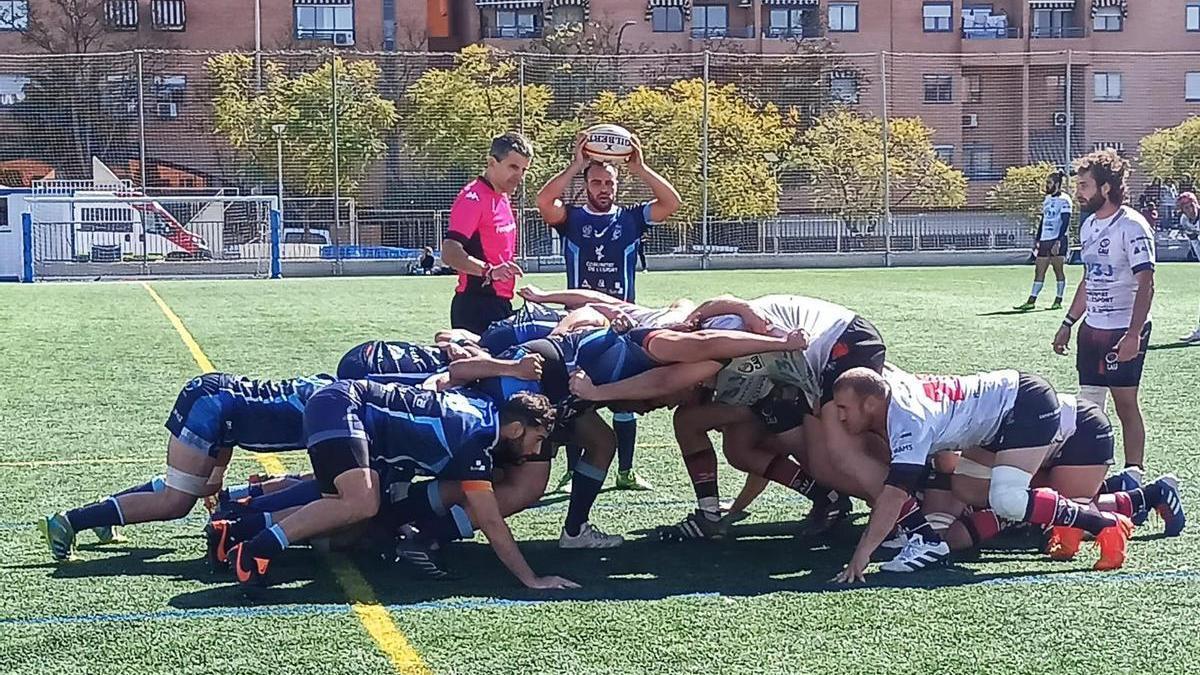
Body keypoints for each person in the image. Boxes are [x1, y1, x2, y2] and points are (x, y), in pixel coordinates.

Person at [227, 381, 580, 590]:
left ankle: (236, 528)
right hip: (345, 407)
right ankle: (256, 549)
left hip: (351, 411)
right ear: (516, 430)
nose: (535, 450)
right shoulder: (478, 439)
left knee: (351, 516)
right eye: (536, 440)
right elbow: (489, 521)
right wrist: (532, 579)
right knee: (360, 502)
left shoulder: (485, 413)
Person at [829, 367, 1132, 582]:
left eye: (844, 408)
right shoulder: (892, 394)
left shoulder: (907, 419)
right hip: (1001, 411)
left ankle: (1105, 523)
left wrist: (863, 553)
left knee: (1006, 499)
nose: (840, 416)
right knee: (967, 487)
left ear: (870, 403)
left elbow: (895, 494)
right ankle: (1056, 512)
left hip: (1023, 404)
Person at [39, 373, 333, 561]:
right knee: (175, 502)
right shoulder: (340, 411)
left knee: (204, 488)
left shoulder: (334, 391)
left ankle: (103, 513)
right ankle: (67, 522)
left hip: (221, 405)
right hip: (215, 409)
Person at [536, 132, 682, 493]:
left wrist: (641, 167)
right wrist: (576, 164)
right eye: (596, 182)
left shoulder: (632, 219)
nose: (603, 188)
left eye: (609, 183)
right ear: (586, 184)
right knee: (575, 395)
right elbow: (543, 200)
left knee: (623, 394)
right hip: (579, 323)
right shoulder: (570, 218)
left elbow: (671, 203)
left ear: (617, 185)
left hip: (621, 321)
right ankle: (572, 472)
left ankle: (626, 471)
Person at [1053, 149, 1155, 473]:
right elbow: (1089, 278)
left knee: (1125, 405)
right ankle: (1092, 471)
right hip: (1092, 328)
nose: (1078, 192)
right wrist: (1069, 321)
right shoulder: (1088, 227)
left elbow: (1147, 284)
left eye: (1084, 185)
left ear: (1106, 188)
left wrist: (1133, 334)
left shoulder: (1133, 226)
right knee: (1089, 405)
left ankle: (1134, 475)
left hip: (1122, 327)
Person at [442, 132, 532, 334]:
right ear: (492, 162)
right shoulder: (472, 198)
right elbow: (449, 252)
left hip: (500, 303)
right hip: (476, 307)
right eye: (513, 167)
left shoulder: (502, 196)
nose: (519, 176)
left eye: (524, 170)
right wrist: (489, 271)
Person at [1015, 170, 1072, 310]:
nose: (1046, 185)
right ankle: (1031, 300)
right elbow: (1043, 219)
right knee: (1039, 270)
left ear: (1057, 184)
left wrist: (1058, 241)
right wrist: (1038, 238)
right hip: (1045, 240)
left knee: (1058, 270)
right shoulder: (1047, 199)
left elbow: (1065, 222)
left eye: (1049, 183)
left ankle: (1058, 300)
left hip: (1057, 240)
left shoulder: (1065, 200)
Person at [1175, 192, 1200, 343]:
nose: (1190, 209)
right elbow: (1195, 243)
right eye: (1186, 207)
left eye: (1192, 205)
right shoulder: (1184, 221)